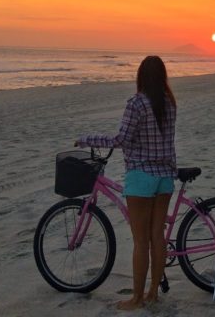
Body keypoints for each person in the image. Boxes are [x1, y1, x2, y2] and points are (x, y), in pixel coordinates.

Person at [76, 55, 177, 311]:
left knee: (141, 241)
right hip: (165, 176)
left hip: (142, 177)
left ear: (141, 76)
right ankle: (153, 291)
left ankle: (137, 298)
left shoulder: (137, 103)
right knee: (158, 237)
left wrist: (89, 139)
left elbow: (121, 139)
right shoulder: (169, 102)